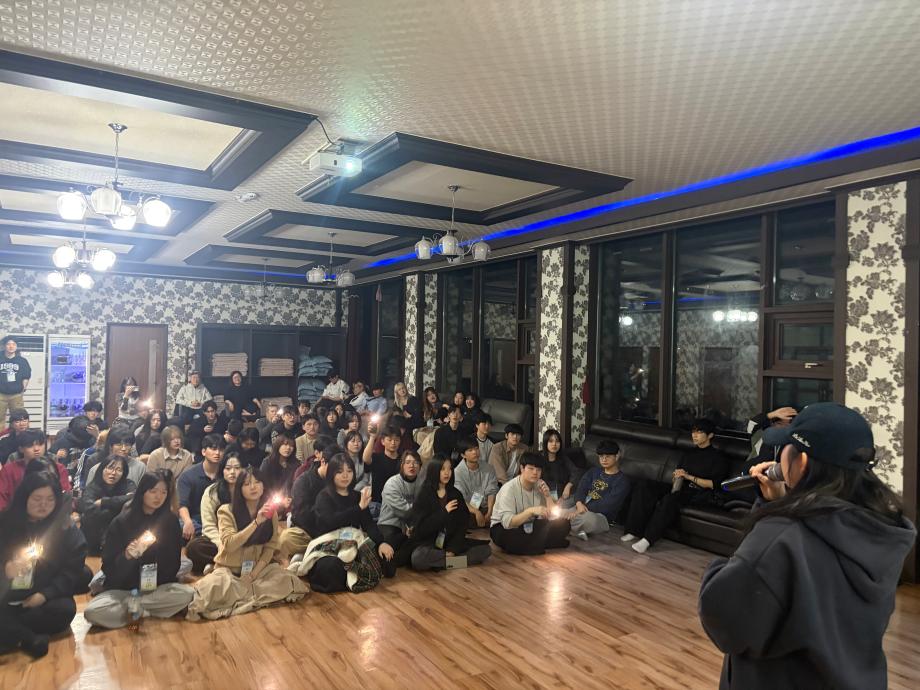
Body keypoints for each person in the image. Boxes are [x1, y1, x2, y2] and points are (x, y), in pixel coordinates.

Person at [698, 402, 916, 690]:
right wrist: (778, 505)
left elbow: (724, 621)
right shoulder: (882, 530)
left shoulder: (780, 537)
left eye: (784, 447)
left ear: (801, 462)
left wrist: (767, 519)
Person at [186, 468, 307, 620]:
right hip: (229, 570)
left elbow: (270, 547)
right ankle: (241, 591)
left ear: (263, 486)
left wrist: (252, 575)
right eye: (247, 484)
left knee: (288, 580)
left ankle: (243, 594)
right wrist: (256, 522)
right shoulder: (226, 510)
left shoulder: (271, 513)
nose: (253, 487)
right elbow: (229, 544)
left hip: (256, 571)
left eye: (257, 482)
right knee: (210, 592)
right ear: (239, 488)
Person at [83, 471, 194, 629]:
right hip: (124, 588)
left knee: (188, 594)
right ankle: (144, 608)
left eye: (163, 492)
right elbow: (109, 567)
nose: (158, 497)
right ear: (142, 491)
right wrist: (127, 556)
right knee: (92, 612)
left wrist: (155, 568)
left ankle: (137, 607)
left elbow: (173, 564)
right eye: (153, 491)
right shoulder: (122, 521)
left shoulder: (170, 521)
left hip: (155, 588)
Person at [0, 473, 86, 659]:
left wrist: (44, 595)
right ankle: (28, 638)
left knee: (65, 610)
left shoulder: (65, 528)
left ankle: (9, 633)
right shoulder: (5, 522)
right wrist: (6, 569)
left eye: (50, 499)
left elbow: (71, 570)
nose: (43, 505)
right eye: (37, 498)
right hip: (5, 595)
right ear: (25, 497)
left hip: (40, 597)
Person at [623, 418, 731, 553]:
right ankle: (633, 530)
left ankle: (648, 540)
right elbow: (678, 476)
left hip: (700, 493)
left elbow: (713, 484)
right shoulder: (689, 454)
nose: (694, 435)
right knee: (645, 485)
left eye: (699, 432)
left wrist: (689, 477)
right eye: (693, 432)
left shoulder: (718, 458)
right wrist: (677, 477)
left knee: (671, 499)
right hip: (681, 488)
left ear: (710, 435)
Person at [309, 455, 395, 585]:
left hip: (353, 542)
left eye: (349, 471)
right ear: (331, 474)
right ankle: (357, 574)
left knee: (388, 562)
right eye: (339, 472)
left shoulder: (357, 496)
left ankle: (356, 573)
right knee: (330, 568)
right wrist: (358, 508)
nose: (345, 476)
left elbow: (368, 524)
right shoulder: (324, 496)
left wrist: (381, 542)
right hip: (330, 544)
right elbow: (331, 521)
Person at [409, 456, 492, 571]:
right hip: (429, 543)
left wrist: (452, 549)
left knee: (486, 550)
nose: (447, 473)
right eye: (443, 469)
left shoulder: (455, 494)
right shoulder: (424, 493)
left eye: (449, 469)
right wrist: (444, 513)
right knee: (418, 559)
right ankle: (453, 562)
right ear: (434, 470)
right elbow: (421, 528)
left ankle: (445, 563)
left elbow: (462, 525)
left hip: (450, 542)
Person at [490, 452, 570, 555]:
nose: (535, 473)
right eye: (531, 468)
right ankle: (541, 543)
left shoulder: (540, 485)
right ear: (522, 468)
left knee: (564, 524)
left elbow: (553, 515)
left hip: (529, 525)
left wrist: (547, 496)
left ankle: (536, 544)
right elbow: (508, 523)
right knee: (512, 538)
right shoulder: (509, 489)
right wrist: (530, 511)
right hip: (505, 527)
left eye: (538, 469)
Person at [186, 453, 242, 575]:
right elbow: (209, 526)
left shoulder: (248, 489)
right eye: (228, 468)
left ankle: (219, 564)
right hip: (218, 540)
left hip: (241, 538)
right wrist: (222, 545)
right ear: (222, 470)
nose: (232, 472)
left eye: (237, 468)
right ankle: (233, 564)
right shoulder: (212, 492)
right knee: (194, 547)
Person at [282, 442, 336, 559]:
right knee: (286, 538)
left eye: (340, 469)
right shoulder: (303, 481)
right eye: (334, 468)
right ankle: (314, 552)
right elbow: (302, 516)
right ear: (323, 462)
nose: (337, 473)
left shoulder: (340, 479)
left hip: (334, 530)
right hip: (309, 530)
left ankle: (310, 554)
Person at [570, 440, 631, 540]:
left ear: (617, 456)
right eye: (601, 456)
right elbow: (581, 488)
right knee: (561, 507)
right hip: (581, 506)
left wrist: (581, 510)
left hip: (601, 516)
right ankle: (574, 530)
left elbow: (608, 505)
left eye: (608, 456)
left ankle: (564, 526)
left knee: (590, 521)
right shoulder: (593, 471)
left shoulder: (622, 481)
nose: (604, 459)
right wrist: (579, 503)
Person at [78, 456, 136, 555]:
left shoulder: (128, 484)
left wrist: (105, 502)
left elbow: (134, 498)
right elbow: (89, 509)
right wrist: (117, 509)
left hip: (119, 536)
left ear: (124, 473)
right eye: (110, 468)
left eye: (119, 470)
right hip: (94, 536)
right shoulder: (93, 486)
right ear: (102, 469)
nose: (113, 473)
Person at [0, 431, 71, 511]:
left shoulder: (59, 468)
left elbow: (64, 497)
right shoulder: (8, 470)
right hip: (16, 513)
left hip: (53, 513)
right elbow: (1, 499)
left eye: (40, 444)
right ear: (21, 449)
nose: (36, 449)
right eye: (30, 446)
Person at [377, 450, 422, 567]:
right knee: (399, 543)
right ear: (402, 465)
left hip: (410, 527)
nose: (412, 466)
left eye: (416, 462)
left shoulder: (423, 484)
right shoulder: (392, 483)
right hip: (389, 525)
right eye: (408, 462)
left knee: (417, 547)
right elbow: (406, 511)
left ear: (420, 466)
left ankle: (391, 561)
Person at [178, 434, 224, 546]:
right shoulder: (188, 476)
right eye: (213, 449)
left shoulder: (227, 474)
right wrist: (188, 521)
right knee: (181, 525)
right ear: (203, 452)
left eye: (221, 449)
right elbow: (182, 504)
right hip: (196, 520)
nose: (217, 453)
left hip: (221, 520)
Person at [453, 437, 498, 528]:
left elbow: (492, 491)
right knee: (460, 514)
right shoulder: (458, 472)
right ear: (463, 455)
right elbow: (460, 498)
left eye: (476, 449)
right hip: (468, 508)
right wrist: (476, 512)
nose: (475, 452)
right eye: (470, 450)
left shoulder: (488, 468)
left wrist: (490, 511)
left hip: (486, 506)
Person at [84, 425, 146, 490]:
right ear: (111, 446)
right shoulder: (96, 467)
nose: (123, 448)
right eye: (119, 444)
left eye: (127, 445)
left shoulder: (140, 467)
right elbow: (89, 492)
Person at [362, 423, 402, 519]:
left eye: (396, 440)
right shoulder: (377, 457)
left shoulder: (403, 460)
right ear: (383, 441)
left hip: (397, 503)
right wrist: (372, 437)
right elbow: (366, 459)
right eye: (390, 440)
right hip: (377, 503)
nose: (393, 443)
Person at [0, 336, 31, 426]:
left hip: (16, 395)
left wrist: (22, 390)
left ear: (16, 346)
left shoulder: (22, 361)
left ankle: (17, 435)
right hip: (0, 394)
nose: (11, 346)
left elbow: (26, 376)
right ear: (4, 346)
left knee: (19, 419)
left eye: (13, 344)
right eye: (8, 344)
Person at [541, 429, 578, 503]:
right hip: (543, 496)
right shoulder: (539, 459)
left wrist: (568, 486)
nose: (554, 444)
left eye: (557, 441)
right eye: (551, 441)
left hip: (561, 496)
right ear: (545, 443)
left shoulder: (563, 458)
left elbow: (576, 472)